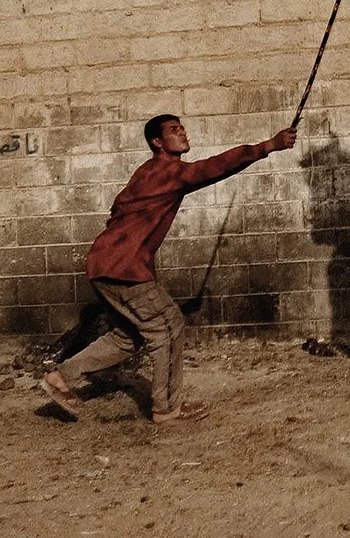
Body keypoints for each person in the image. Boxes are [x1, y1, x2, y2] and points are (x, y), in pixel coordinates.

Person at [40, 114, 297, 423]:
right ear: (157, 142)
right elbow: (213, 168)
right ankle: (165, 408)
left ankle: (60, 378)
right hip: (123, 268)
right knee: (168, 326)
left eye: (182, 128)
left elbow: (120, 212)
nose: (183, 133)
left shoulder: (147, 172)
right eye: (174, 131)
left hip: (105, 264)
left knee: (128, 337)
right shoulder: (166, 173)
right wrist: (269, 145)